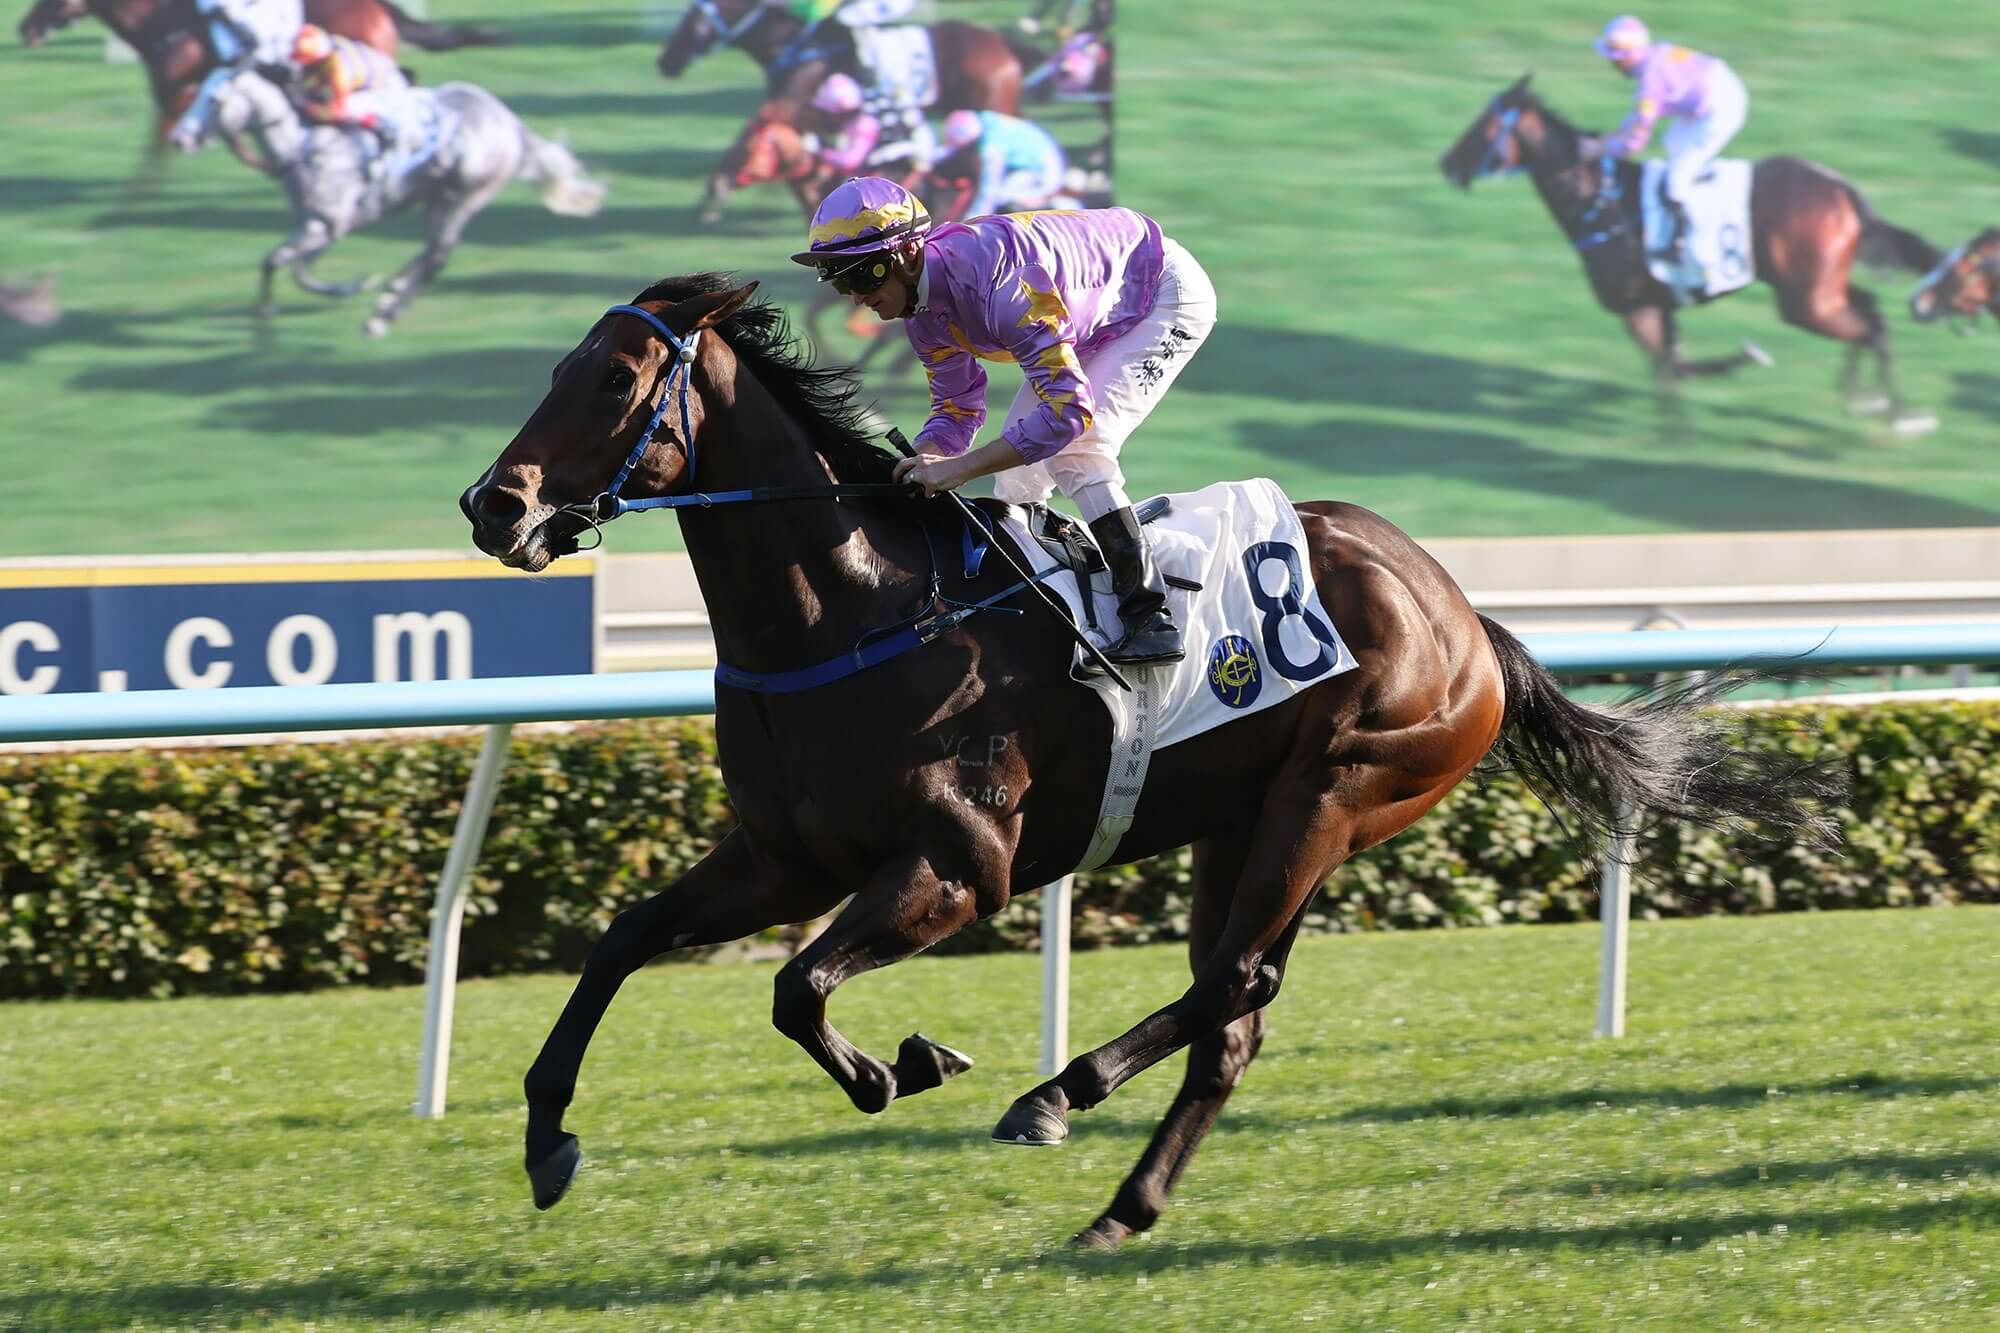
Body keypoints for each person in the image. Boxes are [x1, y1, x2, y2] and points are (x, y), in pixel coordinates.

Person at [790, 176, 1218, 666]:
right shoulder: (921, 314)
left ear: (908, 254)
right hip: (1092, 306)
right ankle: (1051, 613)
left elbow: (1067, 412)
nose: (855, 297)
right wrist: (932, 455)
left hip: (1162, 292)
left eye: (863, 276)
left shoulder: (1003, 284)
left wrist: (961, 468)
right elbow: (958, 407)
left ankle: (1150, 616)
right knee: (1016, 483)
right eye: (840, 279)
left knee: (1079, 448)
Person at [1594, 15, 1748, 298]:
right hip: (1713, 95)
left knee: (1677, 179)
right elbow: (1638, 119)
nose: (1612, 64)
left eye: (1614, 58)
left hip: (1721, 107)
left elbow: (1635, 143)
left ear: (1628, 57)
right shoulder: (1653, 59)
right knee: (1673, 144)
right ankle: (1695, 195)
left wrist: (1601, 148)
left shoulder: (1651, 82)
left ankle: (1699, 254)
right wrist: (1612, 137)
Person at [290, 22, 418, 183]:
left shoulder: (339, 69)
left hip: (387, 86)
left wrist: (309, 108)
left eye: (307, 64)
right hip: (368, 78)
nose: (304, 69)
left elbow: (337, 111)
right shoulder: (324, 51)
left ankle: (386, 137)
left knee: (351, 108)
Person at [937, 108, 1067, 219]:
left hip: (1041, 173)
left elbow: (989, 188)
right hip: (1034, 164)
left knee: (1000, 198)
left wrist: (972, 220)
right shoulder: (984, 121)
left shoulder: (992, 146)